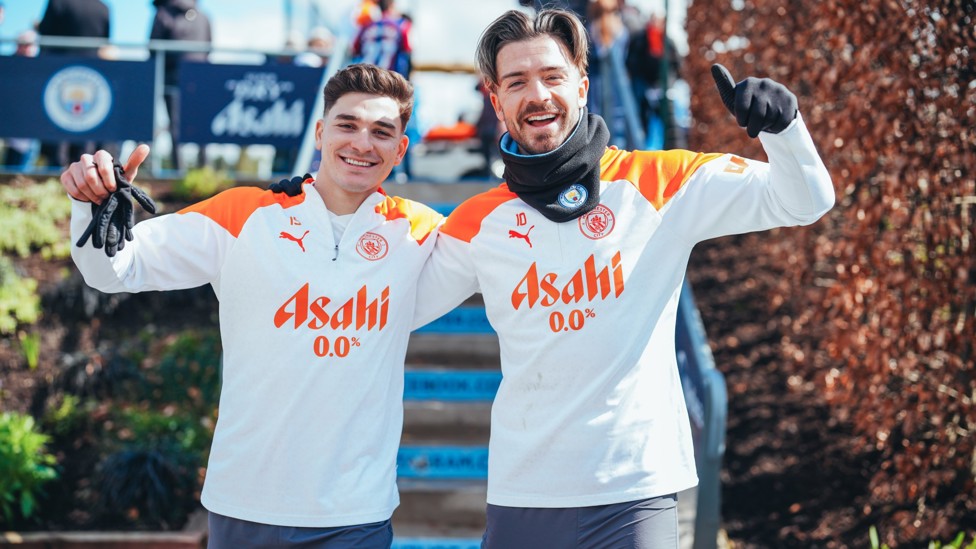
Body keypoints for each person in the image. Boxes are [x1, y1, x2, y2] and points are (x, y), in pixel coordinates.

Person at [411, 8, 835, 548]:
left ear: (583, 86)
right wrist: (320, 208)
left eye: (552, 76)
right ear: (496, 101)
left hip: (636, 493)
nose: (537, 95)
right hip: (525, 495)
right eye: (517, 82)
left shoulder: (661, 182)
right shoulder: (478, 222)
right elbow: (389, 305)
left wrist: (785, 129)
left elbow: (804, 201)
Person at [61, 63, 442, 549]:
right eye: (347, 125)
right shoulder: (243, 214)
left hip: (355, 513)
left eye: (381, 132)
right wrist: (91, 203)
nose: (363, 143)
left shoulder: (421, 232)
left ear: (400, 149)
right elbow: (113, 270)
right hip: (246, 505)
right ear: (321, 132)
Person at [37, 0, 111, 167]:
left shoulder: (58, 3)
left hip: (59, 72)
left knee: (59, 124)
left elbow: (45, 33)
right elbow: (105, 40)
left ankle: (57, 168)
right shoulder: (103, 8)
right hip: (90, 73)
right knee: (85, 125)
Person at [150, 0, 213, 171]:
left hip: (172, 79)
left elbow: (153, 50)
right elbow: (209, 48)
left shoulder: (162, 14)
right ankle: (205, 171)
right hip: (199, 79)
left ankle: (177, 171)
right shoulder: (204, 17)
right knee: (201, 126)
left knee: (176, 126)